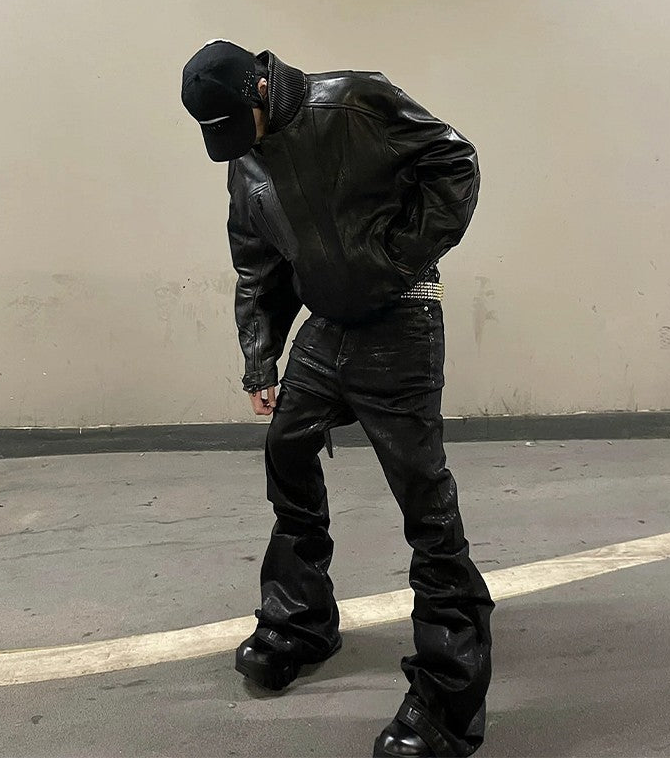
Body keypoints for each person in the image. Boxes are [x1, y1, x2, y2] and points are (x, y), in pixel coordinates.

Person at [181, 39, 494, 758]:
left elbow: (455, 161)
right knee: (288, 449)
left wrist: (395, 258)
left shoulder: (353, 101)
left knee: (424, 501)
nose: (233, 146)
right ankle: (300, 622)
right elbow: (256, 261)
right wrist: (260, 360)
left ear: (260, 88)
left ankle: (448, 704)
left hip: (400, 321)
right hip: (328, 330)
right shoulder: (245, 155)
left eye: (235, 125)